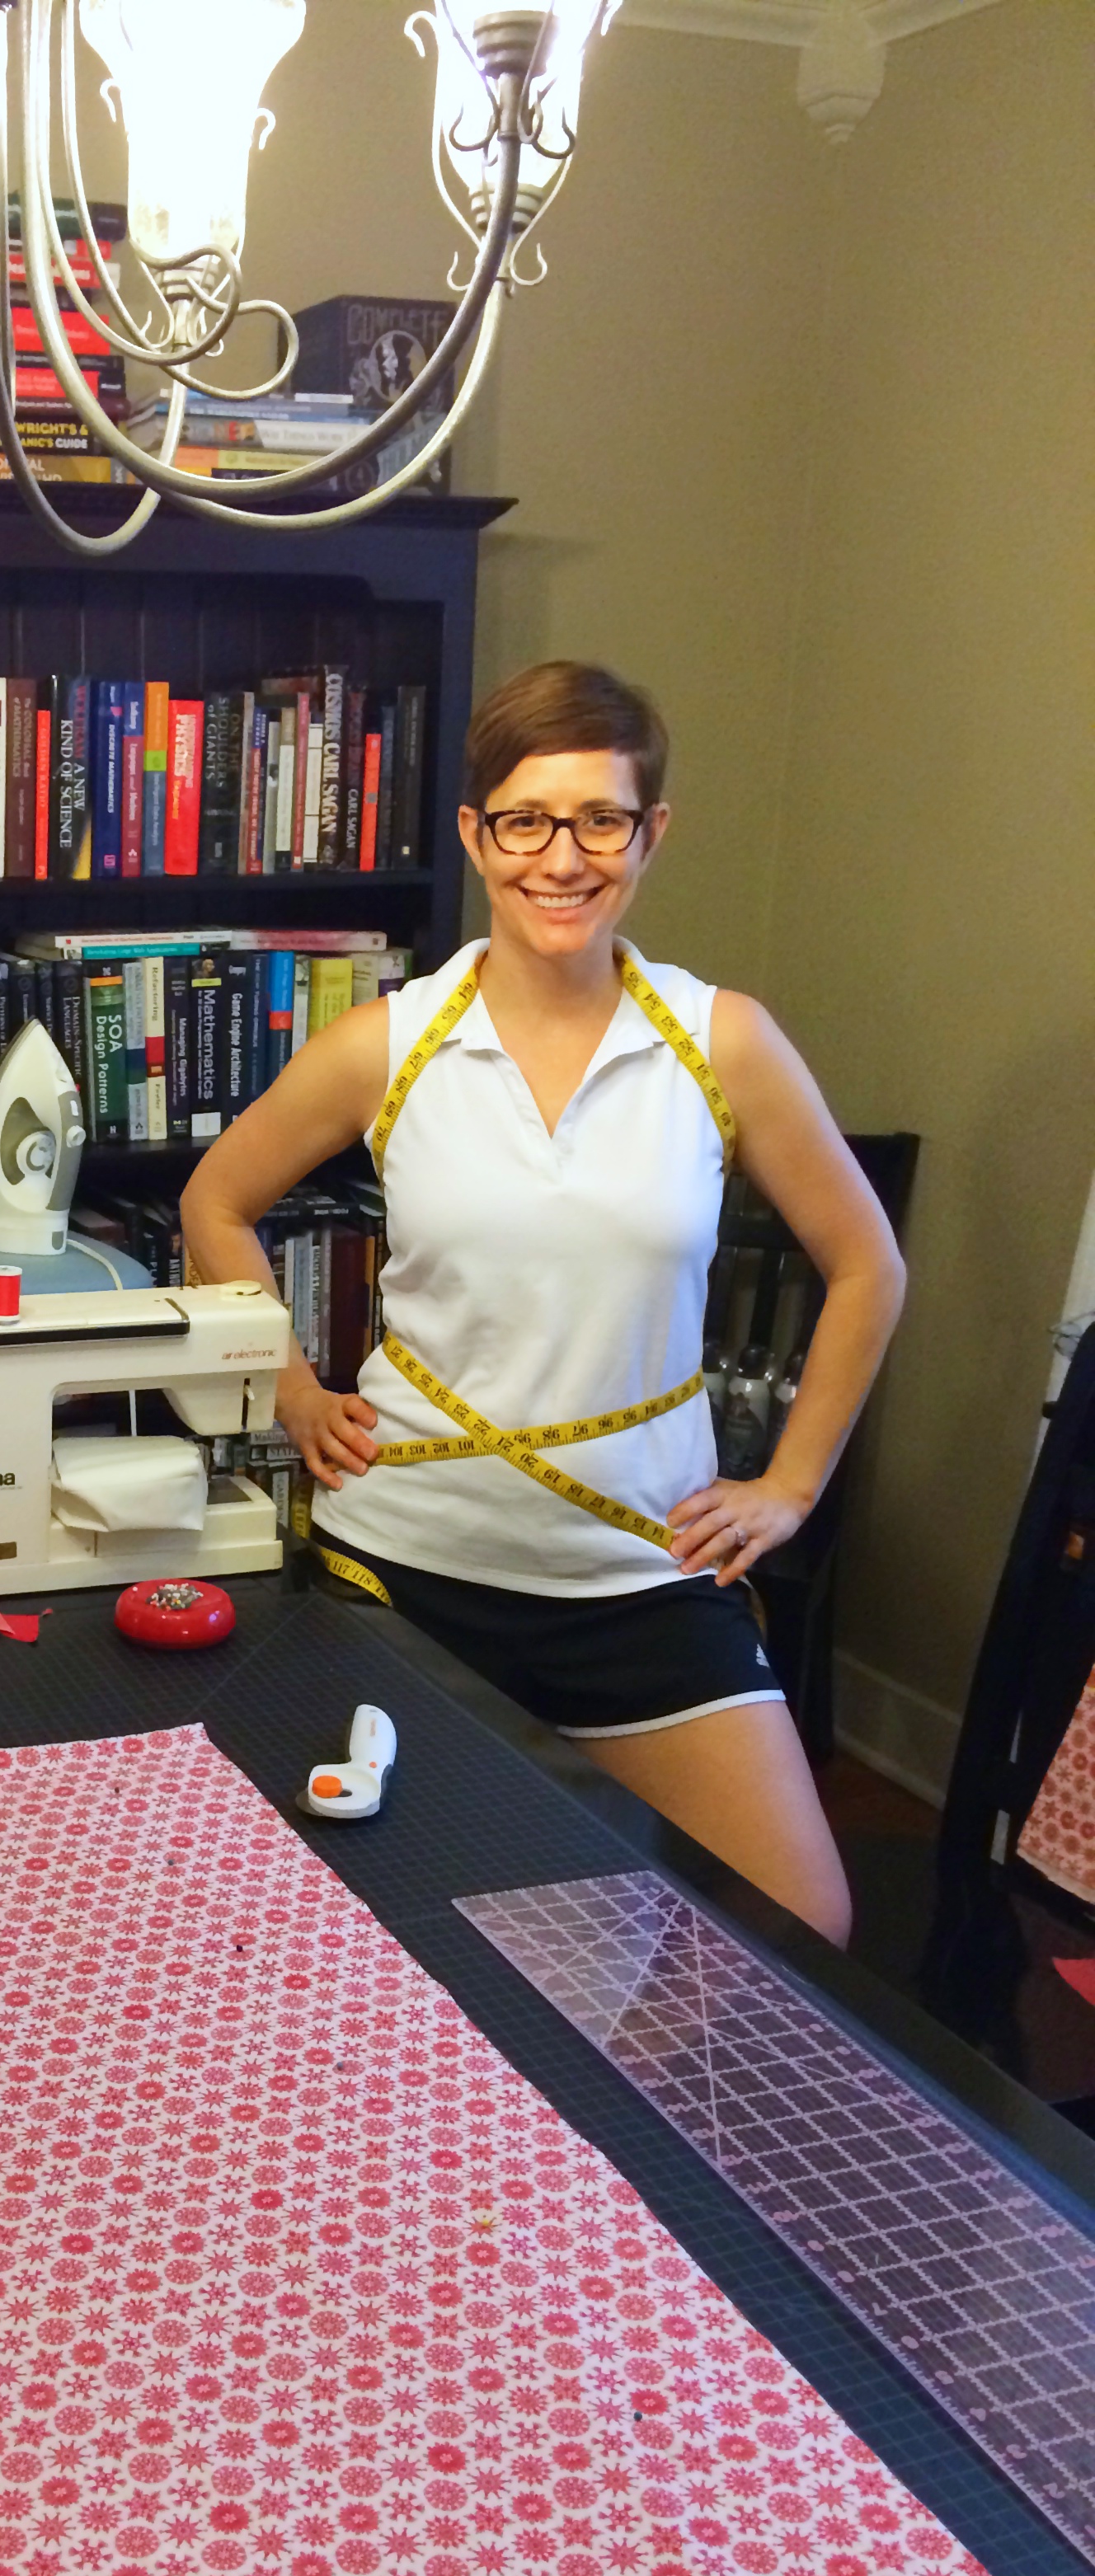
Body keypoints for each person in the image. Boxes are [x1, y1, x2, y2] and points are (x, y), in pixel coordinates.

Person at [181, 661, 906, 1945]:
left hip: (639, 1571)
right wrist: (292, 1394)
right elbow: (214, 1203)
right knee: (364, 1931)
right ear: (476, 835)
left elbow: (868, 1266)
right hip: (404, 1566)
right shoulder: (391, 1043)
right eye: (524, 821)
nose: (561, 859)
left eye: (600, 821)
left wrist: (791, 1488)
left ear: (651, 832)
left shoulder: (719, 1043)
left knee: (802, 1928)